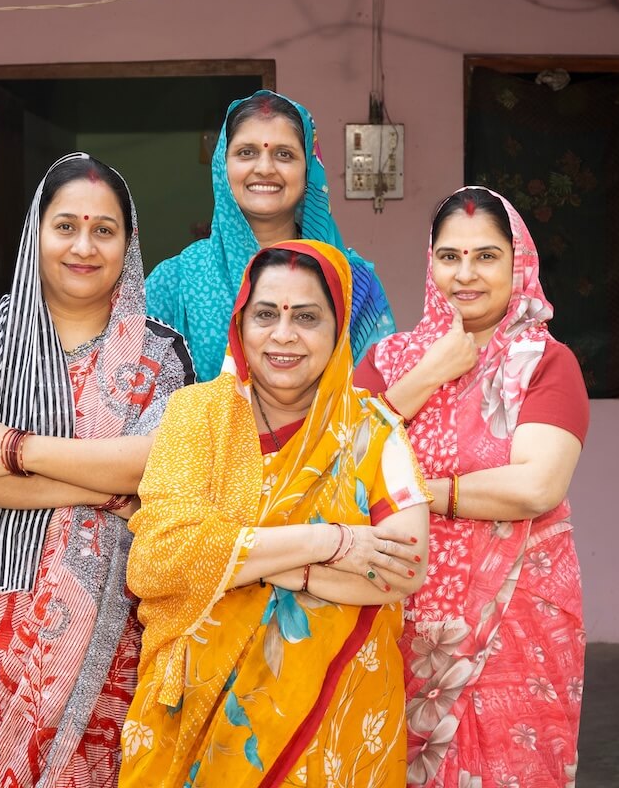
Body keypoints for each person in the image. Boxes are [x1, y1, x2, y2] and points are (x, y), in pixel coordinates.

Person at [0, 153, 194, 788]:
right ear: (35, 233)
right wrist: (105, 485)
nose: (84, 246)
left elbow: (158, 463)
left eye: (105, 230)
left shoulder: (161, 352)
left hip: (115, 623)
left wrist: (16, 450)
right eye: (66, 225)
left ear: (129, 245)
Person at [118, 241, 430, 787]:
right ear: (241, 324)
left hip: (338, 721)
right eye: (266, 314)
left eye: (307, 317)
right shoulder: (197, 417)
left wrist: (266, 565)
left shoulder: (373, 430)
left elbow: (403, 567)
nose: (283, 335)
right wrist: (331, 544)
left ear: (337, 331)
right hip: (198, 716)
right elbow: (158, 562)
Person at [355, 187, 590, 787]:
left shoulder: (545, 362)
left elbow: (537, 484)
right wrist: (430, 371)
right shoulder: (388, 360)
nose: (466, 274)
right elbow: (338, 461)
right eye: (449, 256)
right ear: (430, 263)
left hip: (515, 621)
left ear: (519, 264)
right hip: (396, 612)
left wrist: (417, 492)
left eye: (486, 256)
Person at [144, 89, 395, 382]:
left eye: (284, 154)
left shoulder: (353, 281)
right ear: (222, 167)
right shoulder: (175, 281)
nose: (264, 168)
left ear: (308, 170)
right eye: (246, 152)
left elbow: (377, 397)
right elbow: (139, 400)